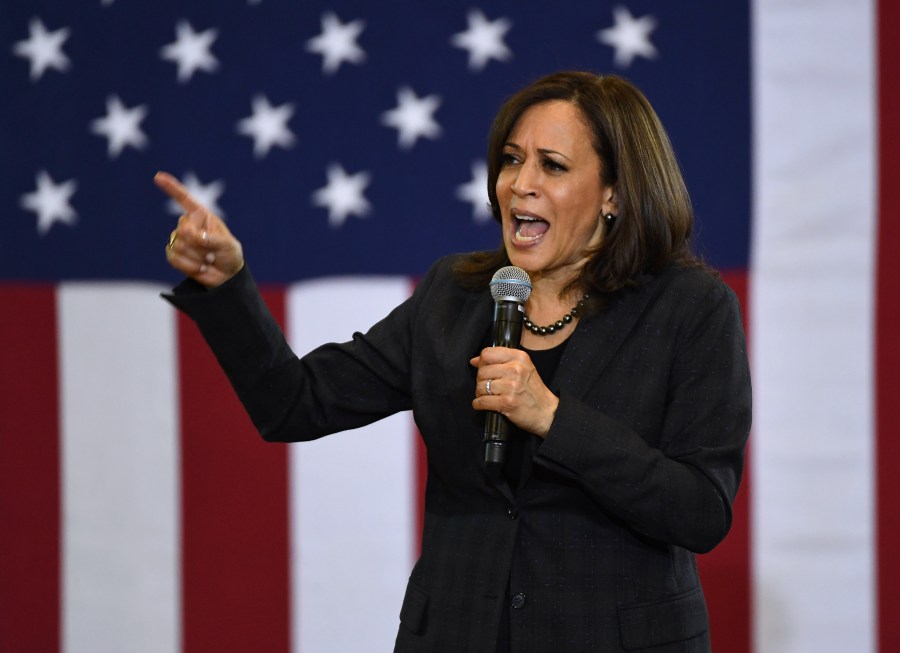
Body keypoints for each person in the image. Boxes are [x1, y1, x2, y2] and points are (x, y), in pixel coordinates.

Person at [157, 71, 751, 653]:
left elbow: (699, 510)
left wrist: (551, 416)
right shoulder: (456, 295)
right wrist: (228, 284)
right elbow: (293, 403)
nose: (521, 184)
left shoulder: (689, 309)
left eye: (553, 165)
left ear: (614, 193)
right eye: (512, 160)